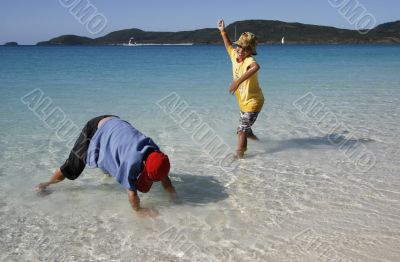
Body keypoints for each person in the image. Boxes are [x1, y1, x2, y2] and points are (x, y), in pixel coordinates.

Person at [36, 115, 176, 217]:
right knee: (73, 168)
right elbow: (132, 194)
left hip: (115, 122)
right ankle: (46, 184)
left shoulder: (156, 153)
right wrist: (139, 211)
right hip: (95, 128)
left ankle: (106, 172)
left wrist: (174, 197)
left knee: (111, 160)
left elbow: (164, 177)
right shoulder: (130, 162)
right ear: (144, 163)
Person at [218, 19, 264, 158]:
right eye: (239, 47)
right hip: (244, 102)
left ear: (250, 51)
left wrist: (237, 82)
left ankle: (240, 157)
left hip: (253, 102)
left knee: (241, 131)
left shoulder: (250, 61)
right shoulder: (234, 55)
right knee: (245, 130)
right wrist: (222, 31)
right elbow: (227, 45)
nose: (241, 51)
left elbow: (256, 67)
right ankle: (262, 144)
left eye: (245, 49)